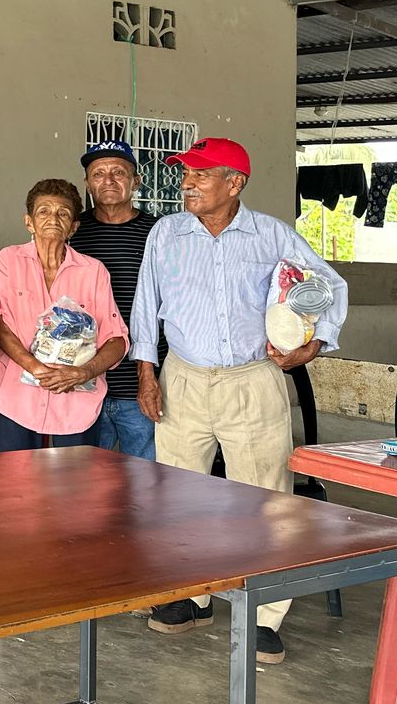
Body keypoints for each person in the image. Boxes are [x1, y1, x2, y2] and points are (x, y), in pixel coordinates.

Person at [133, 137, 347, 666]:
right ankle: (191, 595)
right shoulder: (167, 233)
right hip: (183, 377)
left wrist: (314, 344)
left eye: (200, 175)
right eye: (185, 174)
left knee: (266, 501)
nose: (187, 183)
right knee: (179, 496)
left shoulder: (271, 234)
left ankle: (263, 617)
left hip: (253, 380)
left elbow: (329, 286)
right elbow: (146, 304)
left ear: (235, 183)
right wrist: (147, 373)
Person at [0, 178, 127, 452]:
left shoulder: (93, 271)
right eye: (44, 211)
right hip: (19, 396)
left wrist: (83, 372)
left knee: (74, 478)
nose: (53, 218)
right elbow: (1, 325)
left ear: (73, 226)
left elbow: (117, 340)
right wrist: (34, 367)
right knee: (13, 477)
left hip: (76, 401)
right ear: (29, 222)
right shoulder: (9, 260)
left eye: (63, 213)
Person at [66, 140, 162, 459]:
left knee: (147, 479)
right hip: (84, 383)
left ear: (136, 181)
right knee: (85, 480)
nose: (108, 180)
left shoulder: (159, 233)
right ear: (87, 183)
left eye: (118, 172)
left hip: (141, 385)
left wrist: (152, 377)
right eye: (98, 174)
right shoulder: (72, 232)